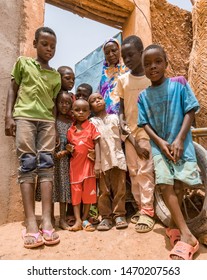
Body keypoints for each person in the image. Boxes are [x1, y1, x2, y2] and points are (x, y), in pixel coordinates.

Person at [138, 44, 200, 260]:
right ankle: (187, 235)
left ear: (166, 62)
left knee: (179, 183)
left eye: (157, 61)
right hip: (159, 146)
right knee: (165, 184)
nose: (152, 66)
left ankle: (175, 225)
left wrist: (180, 139)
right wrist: (161, 143)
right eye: (147, 64)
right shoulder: (143, 96)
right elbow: (144, 123)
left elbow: (190, 110)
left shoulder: (179, 85)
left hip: (181, 142)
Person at [4, 26, 61, 248]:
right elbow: (13, 90)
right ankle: (30, 221)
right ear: (35, 43)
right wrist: (8, 116)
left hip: (47, 122)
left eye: (53, 46)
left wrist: (55, 127)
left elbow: (54, 106)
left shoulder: (55, 75)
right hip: (25, 118)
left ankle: (46, 219)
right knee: (27, 165)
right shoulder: (23, 63)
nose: (49, 49)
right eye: (45, 44)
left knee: (47, 166)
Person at [116, 35, 155, 233]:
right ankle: (141, 208)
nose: (127, 60)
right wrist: (123, 125)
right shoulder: (123, 80)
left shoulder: (151, 78)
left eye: (131, 55)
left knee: (145, 171)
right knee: (133, 171)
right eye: (125, 57)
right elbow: (122, 108)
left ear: (141, 53)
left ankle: (148, 210)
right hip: (129, 133)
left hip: (148, 133)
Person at [88, 92, 128, 230]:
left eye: (99, 98)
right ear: (90, 107)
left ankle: (119, 215)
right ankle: (105, 216)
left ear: (105, 101)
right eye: (93, 100)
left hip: (118, 157)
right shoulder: (91, 122)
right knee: (103, 191)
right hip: (101, 161)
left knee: (120, 188)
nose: (97, 101)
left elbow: (124, 136)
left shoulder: (115, 118)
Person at [66, 99, 101, 231]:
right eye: (77, 110)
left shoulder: (91, 127)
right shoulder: (71, 130)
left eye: (84, 110)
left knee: (88, 194)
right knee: (76, 193)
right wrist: (68, 148)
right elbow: (69, 146)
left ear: (89, 112)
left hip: (89, 167)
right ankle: (78, 220)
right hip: (75, 167)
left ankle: (85, 219)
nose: (81, 112)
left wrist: (97, 162)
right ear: (72, 112)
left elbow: (97, 143)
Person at [53, 90, 73, 230]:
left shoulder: (72, 122)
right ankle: (49, 218)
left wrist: (67, 150)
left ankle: (62, 219)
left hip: (66, 161)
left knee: (64, 189)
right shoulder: (53, 121)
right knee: (52, 189)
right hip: (53, 160)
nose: (64, 105)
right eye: (61, 102)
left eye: (67, 103)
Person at [98, 38, 128, 114]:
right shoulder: (103, 75)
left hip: (126, 115)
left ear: (119, 50)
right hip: (109, 120)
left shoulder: (128, 69)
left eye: (114, 50)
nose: (111, 54)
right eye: (107, 53)